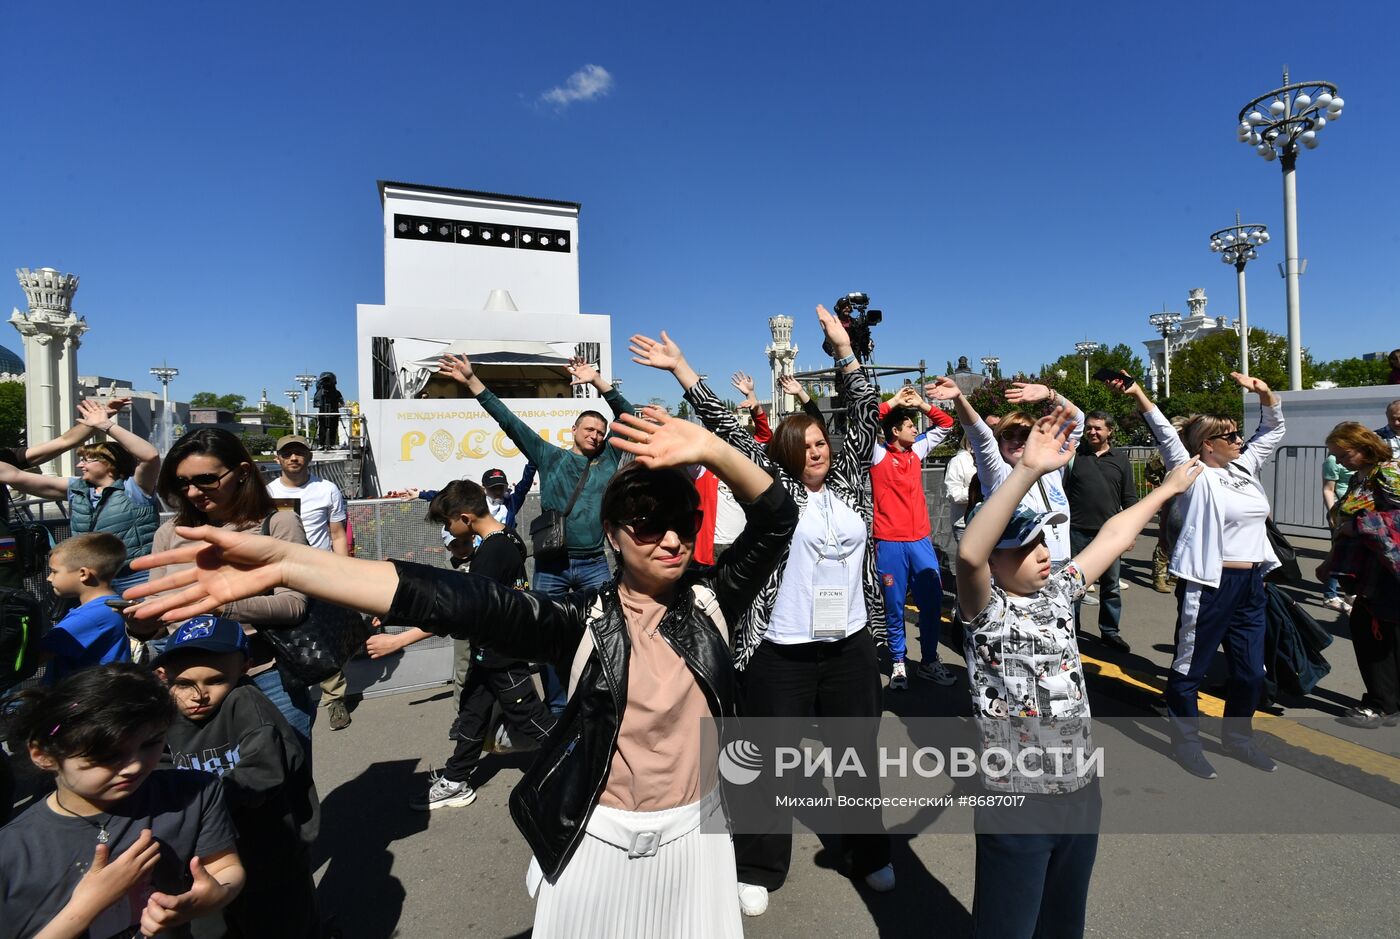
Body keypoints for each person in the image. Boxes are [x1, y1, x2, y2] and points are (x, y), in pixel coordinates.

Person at [127, 405, 798, 939]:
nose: (672, 538)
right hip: (600, 839)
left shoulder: (714, 599)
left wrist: (712, 449)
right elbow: (444, 595)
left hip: (697, 836)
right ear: (614, 535)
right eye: (648, 523)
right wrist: (286, 562)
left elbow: (777, 516)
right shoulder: (574, 621)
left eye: (683, 521)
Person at [632, 307, 895, 915]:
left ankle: (870, 852)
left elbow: (863, 409)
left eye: (822, 443)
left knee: (856, 759)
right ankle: (757, 864)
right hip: (781, 648)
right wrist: (684, 373)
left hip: (850, 645)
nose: (816, 452)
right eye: (803, 446)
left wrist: (845, 351)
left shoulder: (852, 482)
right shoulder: (772, 484)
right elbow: (724, 428)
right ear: (784, 451)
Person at [956, 407, 1201, 939]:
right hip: (1015, 800)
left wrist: (1164, 493)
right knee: (1007, 924)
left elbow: (1111, 537)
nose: (1042, 554)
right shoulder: (986, 611)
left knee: (1065, 921)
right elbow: (970, 554)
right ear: (996, 564)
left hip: (1078, 790)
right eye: (1023, 547)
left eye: (1043, 541)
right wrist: (1026, 471)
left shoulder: (1058, 594)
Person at [436, 353, 636, 714]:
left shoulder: (608, 461)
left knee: (602, 634)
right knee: (546, 637)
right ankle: (558, 708)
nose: (596, 435)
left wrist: (598, 382)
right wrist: (472, 381)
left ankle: (595, 699)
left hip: (594, 564)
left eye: (601, 432)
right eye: (589, 429)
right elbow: (508, 421)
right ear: (572, 432)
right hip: (551, 565)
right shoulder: (550, 457)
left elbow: (631, 420)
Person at [1115, 371, 1285, 778]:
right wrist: (1138, 391)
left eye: (1238, 436)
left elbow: (1273, 429)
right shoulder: (1192, 472)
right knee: (1190, 667)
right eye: (1230, 437)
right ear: (1208, 445)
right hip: (1209, 584)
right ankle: (1187, 743)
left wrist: (1266, 395)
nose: (1240, 441)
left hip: (1251, 585)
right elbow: (1162, 432)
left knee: (1250, 671)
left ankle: (1239, 739)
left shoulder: (1244, 468)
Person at [0, 664, 245, 938]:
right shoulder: (11, 851)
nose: (134, 765)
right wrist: (88, 905)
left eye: (151, 743)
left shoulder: (193, 794)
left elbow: (224, 867)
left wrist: (213, 896)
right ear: (44, 755)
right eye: (107, 755)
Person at [368, 480, 557, 810]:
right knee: (472, 716)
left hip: (503, 655)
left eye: (448, 523)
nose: (448, 530)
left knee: (534, 721)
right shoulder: (507, 537)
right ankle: (456, 780)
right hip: (490, 652)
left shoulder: (490, 554)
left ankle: (589, 768)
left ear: (465, 518)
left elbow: (458, 613)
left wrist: (400, 639)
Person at [128, 428, 313, 749]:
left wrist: (220, 604)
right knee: (202, 786)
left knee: (285, 780)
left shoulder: (278, 524)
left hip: (265, 676)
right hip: (186, 684)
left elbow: (294, 605)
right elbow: (159, 611)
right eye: (183, 483)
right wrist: (142, 624)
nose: (193, 492)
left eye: (206, 480)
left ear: (242, 472)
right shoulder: (170, 531)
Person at [154, 615, 320, 938]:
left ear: (244, 667)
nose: (199, 695)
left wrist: (200, 806)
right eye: (184, 684)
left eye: (215, 680)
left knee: (286, 925)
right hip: (207, 860)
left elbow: (264, 770)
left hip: (270, 854)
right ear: (164, 676)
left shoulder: (246, 703)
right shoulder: (162, 720)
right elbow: (155, 768)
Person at [0, 398, 161, 592]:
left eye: (88, 459)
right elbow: (14, 475)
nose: (79, 465)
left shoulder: (134, 489)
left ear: (110, 464)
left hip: (135, 577)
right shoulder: (77, 489)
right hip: (93, 582)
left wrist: (106, 425)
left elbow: (150, 456)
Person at [926, 377, 1084, 569]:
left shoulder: (1051, 467)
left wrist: (1051, 395)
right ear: (999, 442)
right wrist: (959, 398)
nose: (1017, 440)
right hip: (1018, 574)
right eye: (1009, 435)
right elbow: (981, 437)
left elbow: (1077, 421)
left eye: (1025, 434)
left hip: (1061, 569)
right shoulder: (998, 474)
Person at [266, 433, 354, 732]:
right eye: (287, 453)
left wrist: (343, 570)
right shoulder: (266, 493)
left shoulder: (327, 489)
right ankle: (291, 698)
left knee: (323, 637)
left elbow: (338, 533)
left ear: (309, 457)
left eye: (299, 452)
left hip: (319, 572)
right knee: (286, 637)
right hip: (281, 574)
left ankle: (334, 699)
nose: (294, 458)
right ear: (277, 458)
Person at [872, 385, 958, 688]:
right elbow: (866, 423)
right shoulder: (878, 452)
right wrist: (894, 402)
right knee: (894, 606)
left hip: (920, 540)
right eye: (910, 425)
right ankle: (898, 661)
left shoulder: (917, 449)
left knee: (931, 603)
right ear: (895, 431)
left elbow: (946, 424)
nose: (915, 429)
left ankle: (929, 660)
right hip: (889, 543)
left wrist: (921, 404)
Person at [1319, 422, 1400, 728]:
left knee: (1374, 635)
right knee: (1383, 635)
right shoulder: (1361, 477)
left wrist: (1358, 526)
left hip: (1386, 573)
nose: (1338, 461)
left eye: (1343, 453)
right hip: (1371, 570)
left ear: (1364, 447)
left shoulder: (1389, 473)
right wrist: (1331, 561)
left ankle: (1381, 705)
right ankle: (1388, 702)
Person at [1062, 411, 1139, 652]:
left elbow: (1129, 498)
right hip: (1075, 531)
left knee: (1111, 586)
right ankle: (1070, 631)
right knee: (1074, 586)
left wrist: (1131, 532)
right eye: (1090, 428)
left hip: (1110, 535)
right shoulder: (1075, 456)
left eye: (1098, 428)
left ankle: (1110, 632)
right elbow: (1062, 493)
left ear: (1110, 431)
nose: (1093, 432)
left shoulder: (1120, 459)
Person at [39, 533, 130, 685]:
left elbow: (37, 655)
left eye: (54, 572)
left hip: (79, 699)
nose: (49, 578)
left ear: (83, 574)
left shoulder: (90, 617)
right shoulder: (109, 606)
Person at [1320, 451, 1355, 613]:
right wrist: (1334, 514)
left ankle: (1349, 592)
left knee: (1352, 556)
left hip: (1356, 514)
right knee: (1338, 554)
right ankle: (1330, 596)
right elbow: (1328, 489)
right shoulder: (1333, 460)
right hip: (1341, 513)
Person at [312, 372, 344, 450]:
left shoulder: (336, 393)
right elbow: (317, 399)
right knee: (322, 427)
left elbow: (342, 403)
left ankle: (329, 444)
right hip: (325, 412)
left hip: (332, 412)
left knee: (332, 427)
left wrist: (339, 403)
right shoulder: (321, 392)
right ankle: (322, 444)